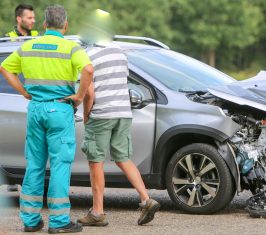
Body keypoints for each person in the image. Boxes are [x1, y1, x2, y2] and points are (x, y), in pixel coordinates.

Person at [0, 4, 93, 233]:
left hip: (35, 109)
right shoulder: (71, 48)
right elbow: (89, 70)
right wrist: (79, 97)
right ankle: (59, 222)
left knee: (35, 165)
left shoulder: (28, 46)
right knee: (60, 165)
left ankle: (31, 221)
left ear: (43, 24)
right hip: (60, 110)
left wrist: (23, 91)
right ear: (65, 25)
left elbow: (4, 68)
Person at [77, 9, 160, 227]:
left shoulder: (87, 55)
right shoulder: (119, 51)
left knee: (96, 162)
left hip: (102, 113)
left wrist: (86, 114)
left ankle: (97, 212)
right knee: (123, 158)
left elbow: (89, 92)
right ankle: (146, 199)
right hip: (123, 112)